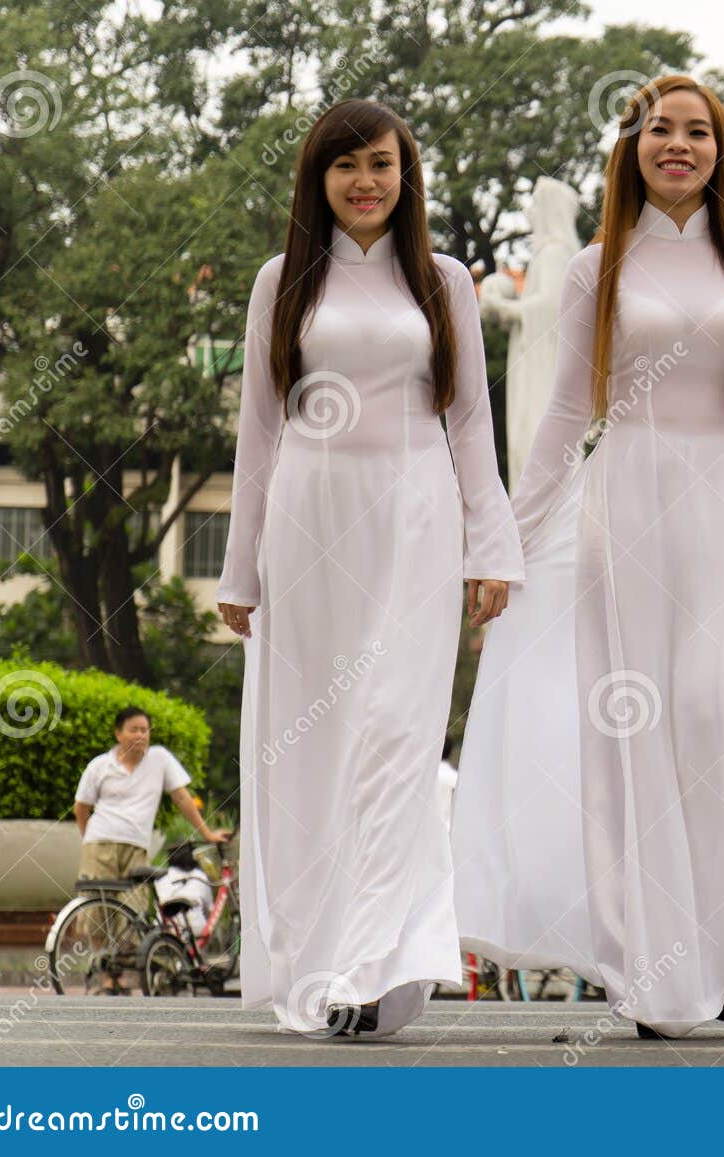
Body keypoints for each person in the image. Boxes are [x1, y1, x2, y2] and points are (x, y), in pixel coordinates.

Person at [452, 74, 724, 1040]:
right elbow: (566, 418)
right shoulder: (597, 267)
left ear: (721, 150)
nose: (678, 145)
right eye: (659, 129)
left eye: (697, 132)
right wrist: (504, 538)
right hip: (628, 507)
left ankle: (716, 946)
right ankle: (646, 964)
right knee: (631, 731)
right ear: (633, 149)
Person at [215, 97, 522, 1039]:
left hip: (416, 520)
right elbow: (260, 428)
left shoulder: (445, 280)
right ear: (319, 179)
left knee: (394, 734)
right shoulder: (284, 279)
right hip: (309, 526)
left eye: (381, 164)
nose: (365, 182)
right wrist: (239, 570)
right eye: (345, 166)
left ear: (406, 174)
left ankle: (373, 961)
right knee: (315, 744)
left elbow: (470, 419)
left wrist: (493, 544)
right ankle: (321, 953)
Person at [73, 706, 229, 993]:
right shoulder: (99, 765)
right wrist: (88, 839)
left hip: (136, 844)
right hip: (100, 841)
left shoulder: (159, 759)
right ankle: (106, 976)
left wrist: (206, 832)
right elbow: (81, 807)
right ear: (118, 733)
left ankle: (123, 970)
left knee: (133, 909)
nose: (141, 735)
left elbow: (182, 797)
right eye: (134, 729)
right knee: (97, 907)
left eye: (145, 730)